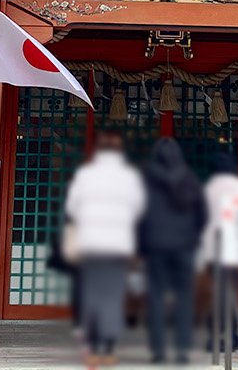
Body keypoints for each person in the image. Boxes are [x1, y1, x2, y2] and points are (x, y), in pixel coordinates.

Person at [65, 129, 146, 366]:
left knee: (93, 296)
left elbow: (72, 208)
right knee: (112, 297)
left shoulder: (85, 175)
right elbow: (138, 208)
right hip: (119, 245)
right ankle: (108, 349)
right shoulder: (129, 177)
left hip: (91, 244)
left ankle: (92, 347)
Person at [139, 138, 206, 365]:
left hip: (156, 245)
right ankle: (182, 350)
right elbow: (202, 214)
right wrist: (194, 238)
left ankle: (158, 350)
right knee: (184, 297)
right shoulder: (189, 179)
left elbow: (139, 214)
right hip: (184, 246)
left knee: (156, 297)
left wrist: (141, 244)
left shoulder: (147, 179)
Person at [199, 151, 238, 354]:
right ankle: (233, 334)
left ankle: (217, 336)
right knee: (235, 293)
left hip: (214, 249)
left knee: (215, 294)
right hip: (236, 249)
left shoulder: (209, 189)